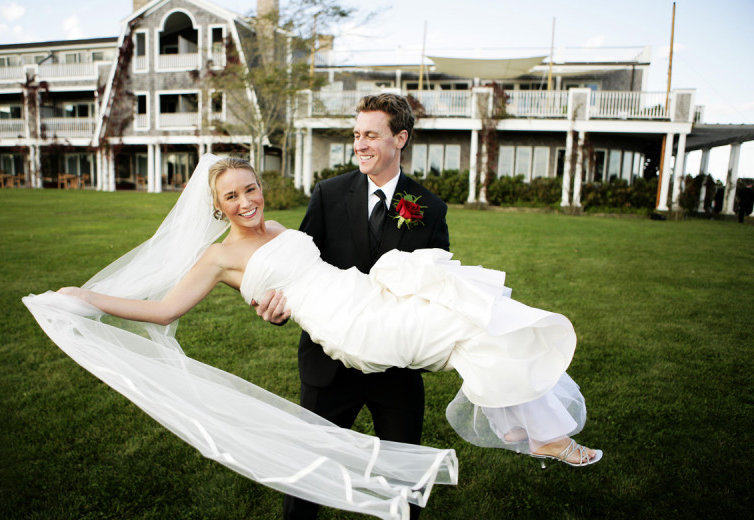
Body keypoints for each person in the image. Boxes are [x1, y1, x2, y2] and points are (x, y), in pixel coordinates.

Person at [58, 155, 600, 464]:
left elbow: (296, 270)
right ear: (215, 205)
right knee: (467, 321)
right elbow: (162, 309)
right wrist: (87, 298)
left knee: (469, 310)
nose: (247, 202)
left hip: (362, 292)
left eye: (251, 189)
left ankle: (521, 423)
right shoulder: (217, 257)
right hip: (351, 324)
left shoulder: (275, 227)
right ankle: (534, 428)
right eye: (232, 198)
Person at [255, 93, 449, 520]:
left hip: (396, 369)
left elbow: (439, 286)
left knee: (404, 478)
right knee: (307, 474)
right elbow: (298, 269)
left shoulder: (429, 209)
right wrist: (278, 308)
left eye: (371, 136)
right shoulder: (328, 194)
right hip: (328, 364)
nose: (359, 145)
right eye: (356, 135)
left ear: (400, 138)